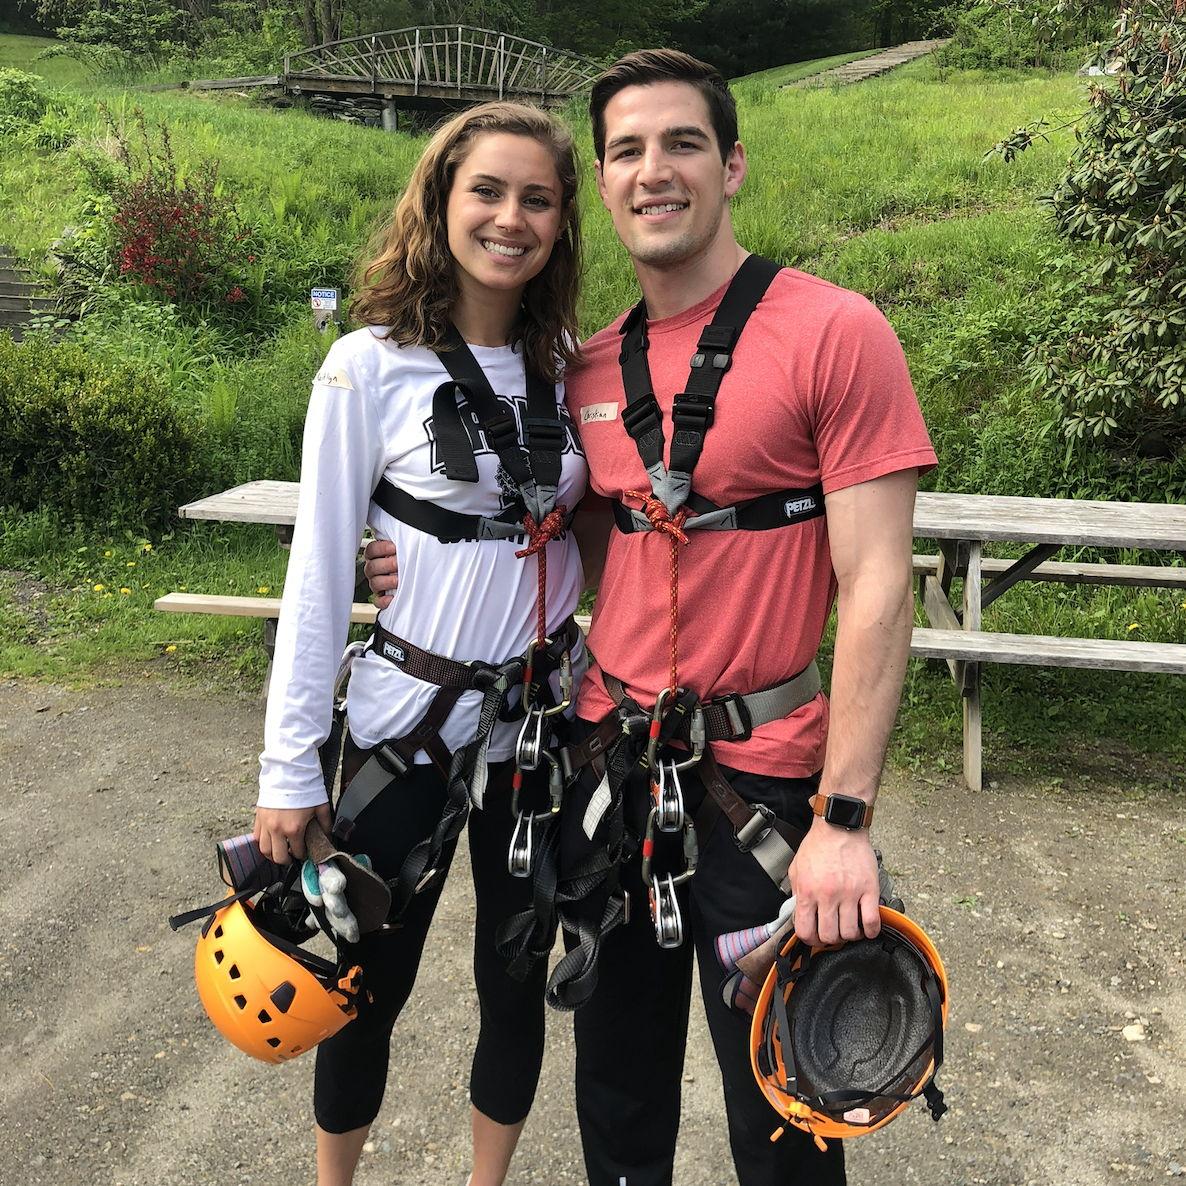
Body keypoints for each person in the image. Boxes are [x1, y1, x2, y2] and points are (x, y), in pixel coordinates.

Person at [367, 49, 936, 1186]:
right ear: (606, 188)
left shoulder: (834, 331)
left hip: (762, 786)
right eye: (625, 151)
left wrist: (845, 816)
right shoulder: (580, 368)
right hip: (602, 769)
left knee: (785, 1113)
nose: (651, 170)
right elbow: (563, 548)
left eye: (680, 143)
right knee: (616, 1098)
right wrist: (412, 566)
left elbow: (878, 582)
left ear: (729, 166)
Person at [253, 101, 588, 1186]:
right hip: (411, 720)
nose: (509, 216)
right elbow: (316, 574)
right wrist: (287, 766)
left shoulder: (572, 367)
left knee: (513, 975)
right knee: (365, 978)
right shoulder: (367, 364)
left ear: (560, 223)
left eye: (536, 197)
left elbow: (602, 524)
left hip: (537, 731)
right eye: (485, 190)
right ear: (439, 201)